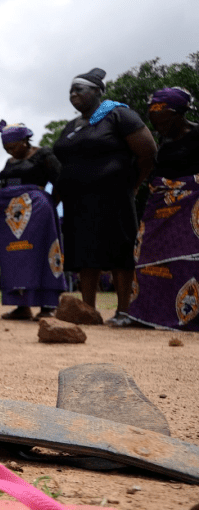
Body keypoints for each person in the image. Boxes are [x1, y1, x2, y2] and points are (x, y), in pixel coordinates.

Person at [52, 68, 157, 326]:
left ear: (98, 91)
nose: (73, 94)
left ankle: (123, 311)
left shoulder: (118, 115)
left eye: (80, 89)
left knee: (119, 251)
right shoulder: (71, 126)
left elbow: (148, 152)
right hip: (77, 202)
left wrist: (132, 185)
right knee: (84, 254)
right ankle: (88, 310)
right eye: (70, 91)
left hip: (113, 197)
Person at [127, 88, 199, 331]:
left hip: (192, 208)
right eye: (153, 122)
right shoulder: (165, 143)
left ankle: (189, 316)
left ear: (179, 114)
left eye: (162, 121)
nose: (157, 127)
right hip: (162, 207)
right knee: (147, 255)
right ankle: (146, 314)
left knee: (189, 261)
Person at [0, 120, 65, 320]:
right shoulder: (10, 162)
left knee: (42, 256)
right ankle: (21, 306)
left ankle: (48, 306)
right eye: (6, 148)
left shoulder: (43, 155)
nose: (10, 152)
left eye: (13, 146)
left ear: (25, 140)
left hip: (38, 214)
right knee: (15, 259)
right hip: (11, 218)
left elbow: (59, 180)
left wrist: (49, 206)